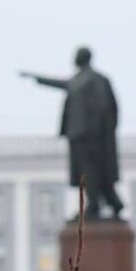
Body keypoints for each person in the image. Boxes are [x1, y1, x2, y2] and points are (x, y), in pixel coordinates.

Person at [20, 47, 123, 220]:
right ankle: (109, 204)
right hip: (77, 135)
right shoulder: (77, 80)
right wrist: (36, 78)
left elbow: (105, 107)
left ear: (82, 58)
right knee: (86, 172)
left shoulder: (97, 79)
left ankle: (96, 206)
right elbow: (62, 84)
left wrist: (96, 132)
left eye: (75, 56)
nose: (73, 58)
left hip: (92, 137)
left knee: (93, 172)